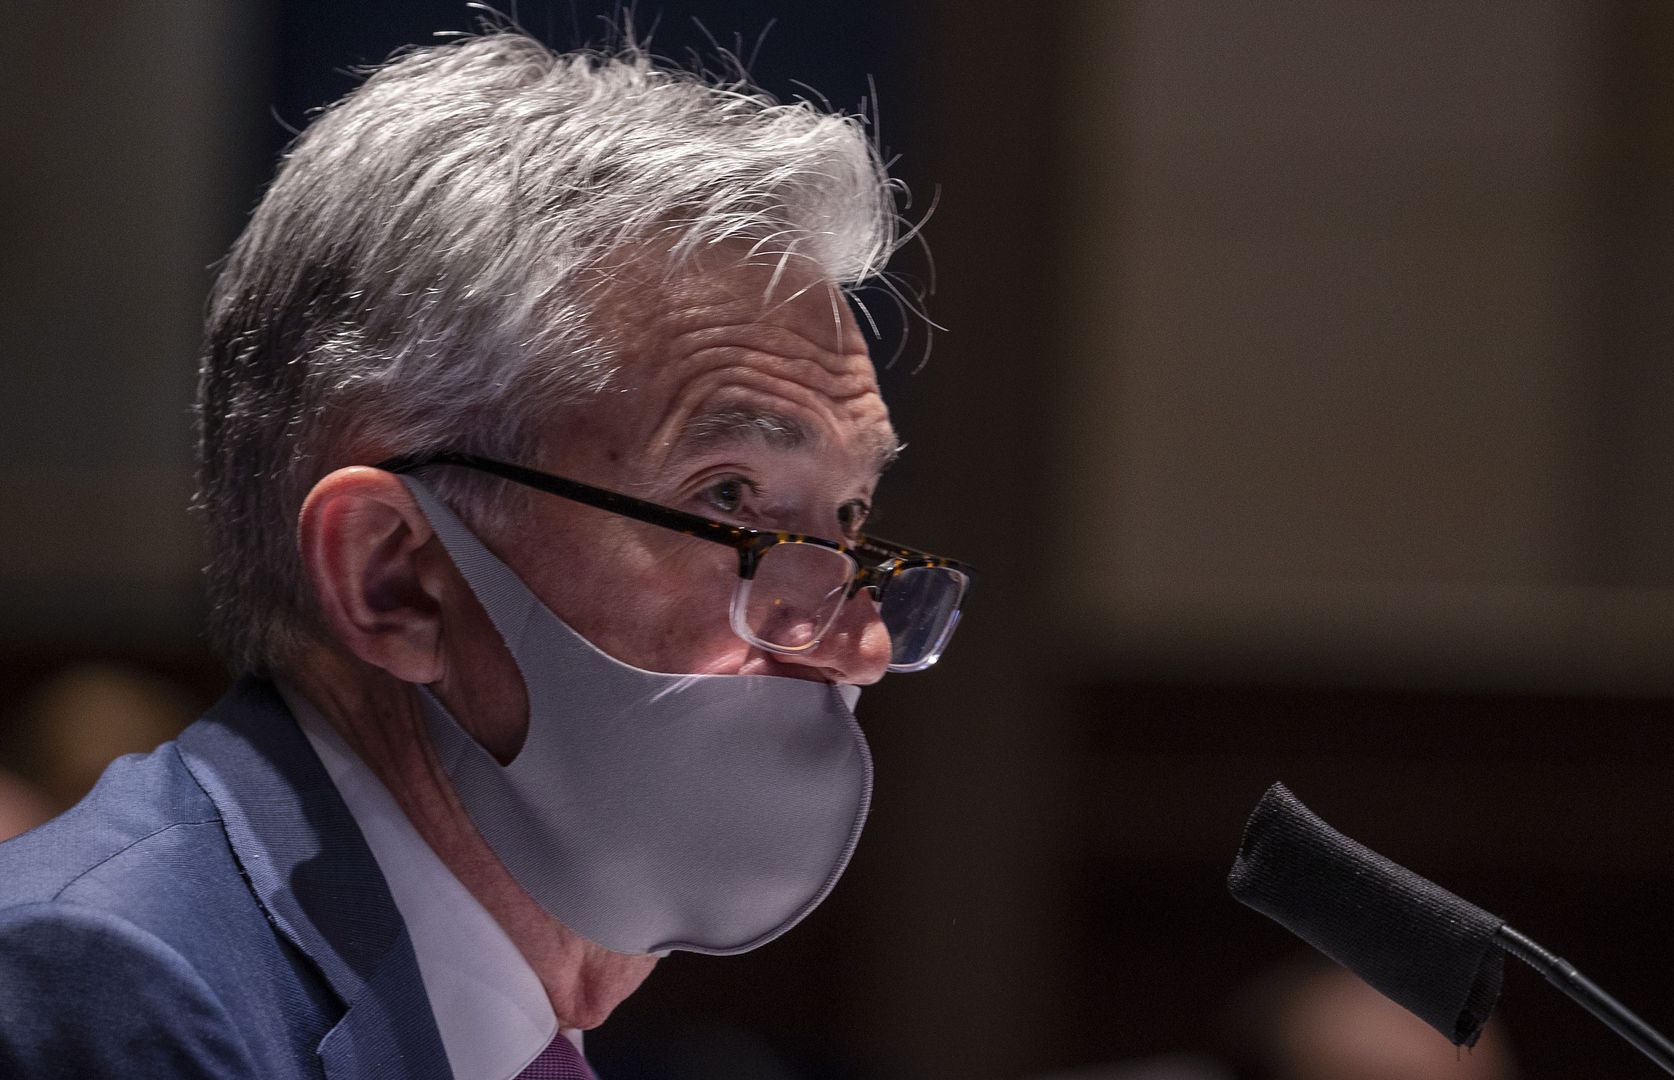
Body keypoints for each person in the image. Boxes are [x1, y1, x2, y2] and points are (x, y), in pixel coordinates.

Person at [0, 30, 971, 1079]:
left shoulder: (510, 1027)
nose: (861, 640)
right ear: (397, 575)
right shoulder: (116, 991)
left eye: (851, 521)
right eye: (730, 498)